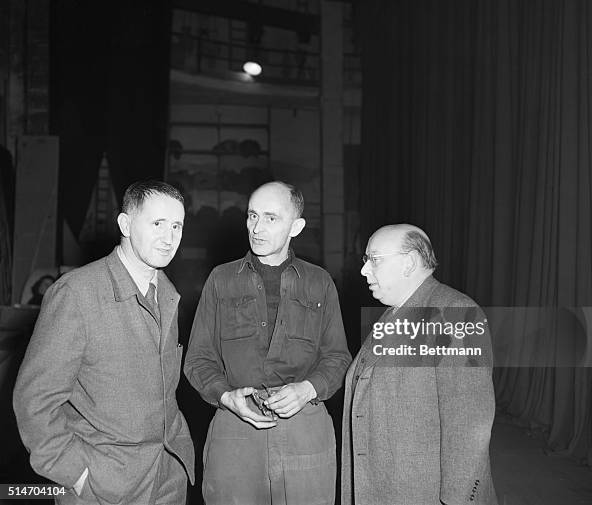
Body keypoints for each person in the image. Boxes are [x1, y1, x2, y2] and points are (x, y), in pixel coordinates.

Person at [13, 181, 195, 504]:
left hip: (166, 481)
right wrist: (78, 475)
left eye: (176, 226)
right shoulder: (77, 294)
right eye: (157, 224)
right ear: (125, 224)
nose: (169, 238)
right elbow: (34, 402)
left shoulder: (167, 295)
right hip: (102, 487)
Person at [184, 181, 351, 505]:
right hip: (236, 426)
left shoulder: (320, 283)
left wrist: (308, 389)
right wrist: (226, 396)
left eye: (271, 218)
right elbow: (198, 359)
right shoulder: (221, 279)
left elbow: (337, 357)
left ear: (296, 226)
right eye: (252, 216)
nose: (257, 228)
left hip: (305, 426)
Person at [341, 224, 498, 505]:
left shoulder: (454, 314)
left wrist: (459, 500)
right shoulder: (395, 312)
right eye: (365, 260)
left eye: (374, 259)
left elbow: (468, 427)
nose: (364, 270)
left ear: (409, 263)